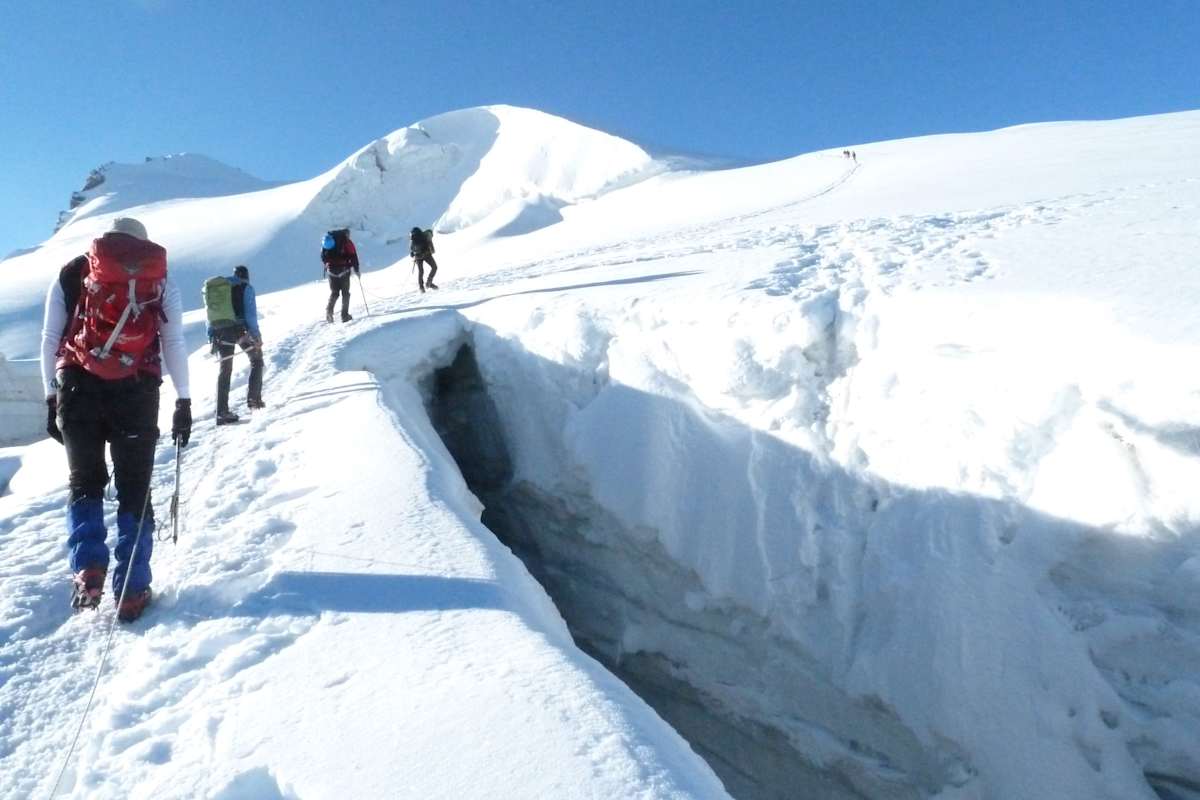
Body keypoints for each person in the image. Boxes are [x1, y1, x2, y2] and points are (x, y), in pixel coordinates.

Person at [40, 217, 192, 622]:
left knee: (85, 482)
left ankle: (88, 567)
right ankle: (132, 589)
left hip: (76, 387)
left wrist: (51, 397)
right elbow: (173, 342)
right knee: (134, 488)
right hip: (137, 391)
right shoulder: (161, 281)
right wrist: (184, 400)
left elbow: (50, 338)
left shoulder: (74, 273)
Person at [207, 265, 264, 424]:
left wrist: (211, 334)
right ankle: (254, 400)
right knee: (257, 359)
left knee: (225, 369)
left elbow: (210, 314)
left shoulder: (220, 289)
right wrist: (256, 336)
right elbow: (250, 315)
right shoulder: (246, 287)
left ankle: (221, 412)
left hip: (219, 332)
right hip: (239, 331)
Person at [321, 228, 359, 322]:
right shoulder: (346, 242)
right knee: (345, 293)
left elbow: (323, 257)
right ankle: (344, 316)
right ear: (347, 234)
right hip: (344, 271)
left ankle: (329, 312)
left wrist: (329, 265)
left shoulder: (328, 241)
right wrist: (357, 270)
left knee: (334, 293)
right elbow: (353, 256)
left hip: (331, 272)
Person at [410, 226, 438, 293]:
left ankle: (421, 288)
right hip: (426, 255)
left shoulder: (413, 238)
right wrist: (431, 251)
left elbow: (412, 249)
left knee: (421, 271)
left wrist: (413, 254)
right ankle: (429, 282)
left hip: (418, 257)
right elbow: (430, 247)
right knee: (434, 267)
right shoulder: (426, 236)